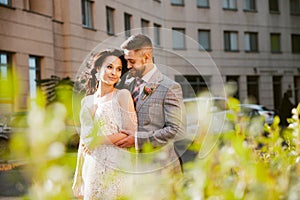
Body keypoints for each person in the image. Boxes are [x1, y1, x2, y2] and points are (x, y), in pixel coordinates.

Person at [115, 34, 186, 174]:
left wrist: (137, 140)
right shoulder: (125, 84)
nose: (128, 66)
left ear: (146, 57)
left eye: (131, 61)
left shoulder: (169, 87)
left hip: (160, 170)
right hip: (129, 168)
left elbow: (177, 130)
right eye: (126, 61)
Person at [72, 49, 137, 199]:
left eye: (118, 69)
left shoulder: (122, 96)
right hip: (92, 166)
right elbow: (84, 141)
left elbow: (131, 133)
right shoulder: (86, 101)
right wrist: (78, 177)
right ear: (98, 69)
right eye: (109, 67)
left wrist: (98, 140)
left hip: (117, 165)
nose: (114, 72)